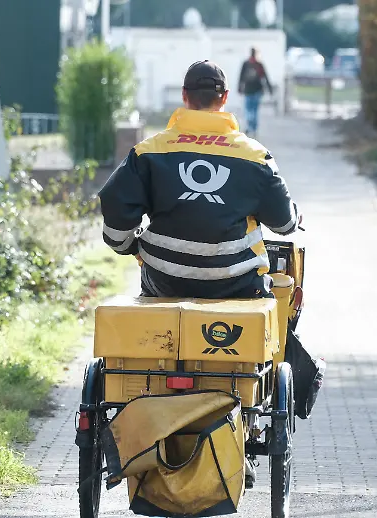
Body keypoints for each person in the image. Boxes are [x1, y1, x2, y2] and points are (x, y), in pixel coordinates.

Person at [98, 59, 299, 487]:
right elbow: (284, 224)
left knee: (157, 287)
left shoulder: (150, 151)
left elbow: (115, 206)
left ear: (184, 97)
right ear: (224, 99)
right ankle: (245, 422)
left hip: (164, 281)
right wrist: (293, 216)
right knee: (270, 309)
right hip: (235, 284)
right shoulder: (253, 155)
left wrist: (126, 244)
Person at [238, 47, 273, 136]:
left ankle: (249, 127)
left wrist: (240, 87)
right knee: (254, 110)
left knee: (248, 110)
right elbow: (265, 77)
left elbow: (241, 77)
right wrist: (270, 89)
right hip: (257, 90)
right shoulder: (259, 64)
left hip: (248, 90)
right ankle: (253, 128)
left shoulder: (246, 63)